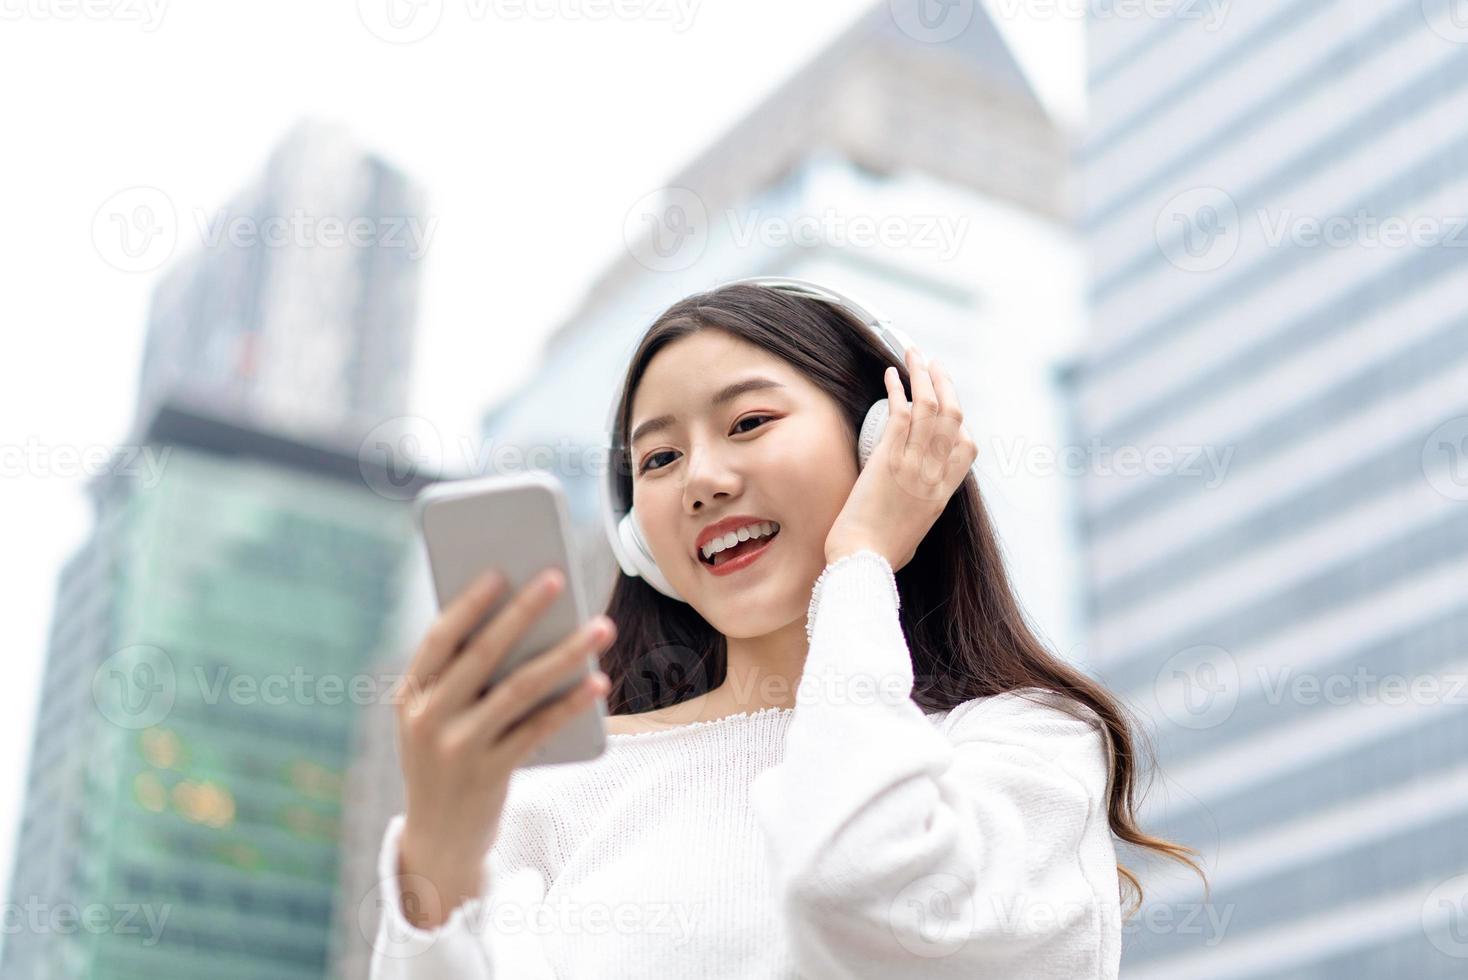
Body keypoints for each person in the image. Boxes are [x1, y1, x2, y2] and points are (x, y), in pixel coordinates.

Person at [368, 280, 1207, 978]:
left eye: (748, 423)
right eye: (658, 460)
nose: (699, 480)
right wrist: (440, 851)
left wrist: (861, 561)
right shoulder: (559, 788)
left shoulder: (1027, 748)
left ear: (884, 441)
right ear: (636, 539)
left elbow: (854, 885)